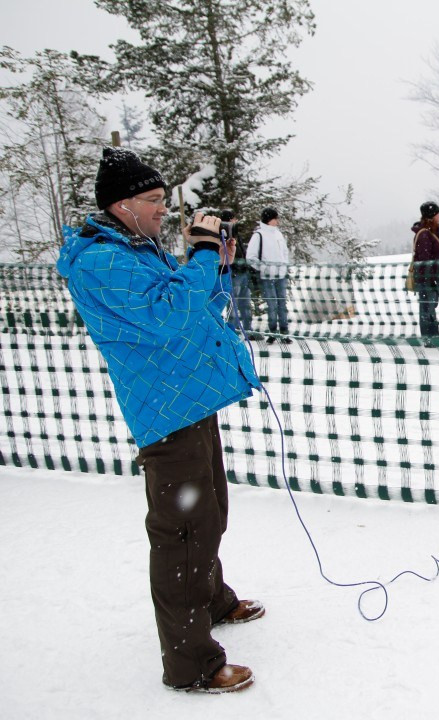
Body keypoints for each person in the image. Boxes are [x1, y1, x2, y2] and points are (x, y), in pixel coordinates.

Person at [55, 147, 264, 693]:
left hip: (190, 399)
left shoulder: (138, 250)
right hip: (164, 413)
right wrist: (196, 257)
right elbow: (169, 317)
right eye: (152, 201)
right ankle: (190, 663)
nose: (163, 212)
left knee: (209, 513)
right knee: (182, 535)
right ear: (121, 204)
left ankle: (213, 600)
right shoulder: (100, 260)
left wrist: (216, 262)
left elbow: (198, 306)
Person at [248, 207, 291, 343]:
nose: (277, 221)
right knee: (272, 305)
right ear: (269, 219)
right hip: (267, 277)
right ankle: (273, 332)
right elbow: (251, 257)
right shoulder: (258, 235)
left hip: (281, 276)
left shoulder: (278, 234)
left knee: (282, 304)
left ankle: (284, 332)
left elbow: (285, 252)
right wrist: (263, 268)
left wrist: (284, 265)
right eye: (275, 218)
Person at [413, 201, 439, 345]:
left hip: (432, 276)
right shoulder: (425, 234)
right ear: (432, 215)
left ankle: (433, 335)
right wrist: (430, 277)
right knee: (427, 307)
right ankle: (430, 338)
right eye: (438, 213)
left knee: (430, 306)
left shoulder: (432, 231)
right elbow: (424, 258)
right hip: (427, 278)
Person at [222, 210, 253, 336]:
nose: (236, 221)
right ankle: (232, 331)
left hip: (243, 273)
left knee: (245, 302)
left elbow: (241, 252)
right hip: (233, 274)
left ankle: (248, 330)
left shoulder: (236, 234)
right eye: (234, 219)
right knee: (233, 304)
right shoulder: (225, 235)